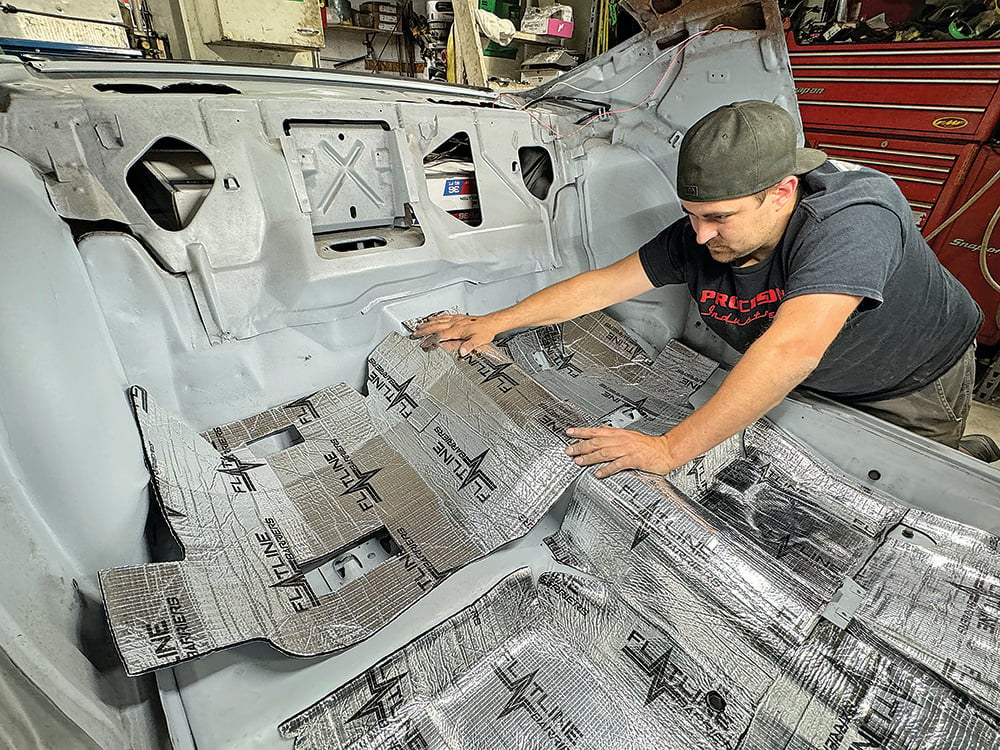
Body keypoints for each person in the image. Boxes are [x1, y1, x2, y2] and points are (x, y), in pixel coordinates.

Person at [414, 100, 998, 476]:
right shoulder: (700, 233)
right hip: (811, 377)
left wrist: (669, 449)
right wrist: (494, 322)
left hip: (907, 383)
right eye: (691, 214)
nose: (700, 234)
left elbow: (793, 349)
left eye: (718, 218)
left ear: (782, 191)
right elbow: (600, 285)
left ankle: (970, 451)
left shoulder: (851, 217)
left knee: (901, 487)